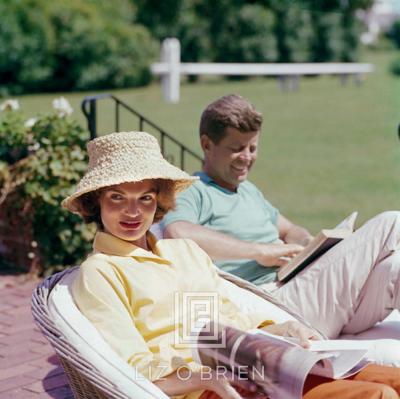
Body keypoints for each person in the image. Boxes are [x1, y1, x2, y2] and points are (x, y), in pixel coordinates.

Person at [63, 131, 400, 399]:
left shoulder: (185, 252)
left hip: (259, 363)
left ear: (160, 199)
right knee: (376, 395)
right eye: (117, 198)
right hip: (207, 389)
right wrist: (205, 376)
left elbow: (232, 317)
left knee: (393, 382)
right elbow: (130, 366)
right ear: (96, 203)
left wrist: (285, 330)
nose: (133, 212)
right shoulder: (102, 272)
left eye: (145, 198)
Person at [162, 94, 400, 341]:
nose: (247, 157)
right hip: (273, 302)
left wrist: (306, 246)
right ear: (207, 144)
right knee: (392, 222)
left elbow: (289, 229)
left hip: (299, 286)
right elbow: (178, 233)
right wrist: (259, 251)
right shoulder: (193, 190)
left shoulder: (248, 191)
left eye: (252, 148)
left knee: (395, 268)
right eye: (237, 149)